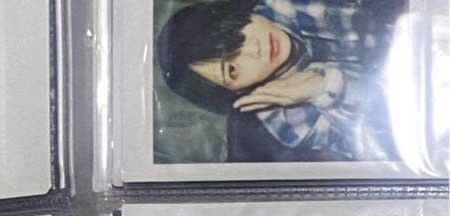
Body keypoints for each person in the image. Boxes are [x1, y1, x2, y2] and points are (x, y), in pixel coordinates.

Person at [157, 0, 404, 162]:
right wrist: (323, 87)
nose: (254, 50)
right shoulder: (285, 122)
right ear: (237, 93)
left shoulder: (290, 4)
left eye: (236, 35)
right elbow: (389, 141)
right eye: (232, 69)